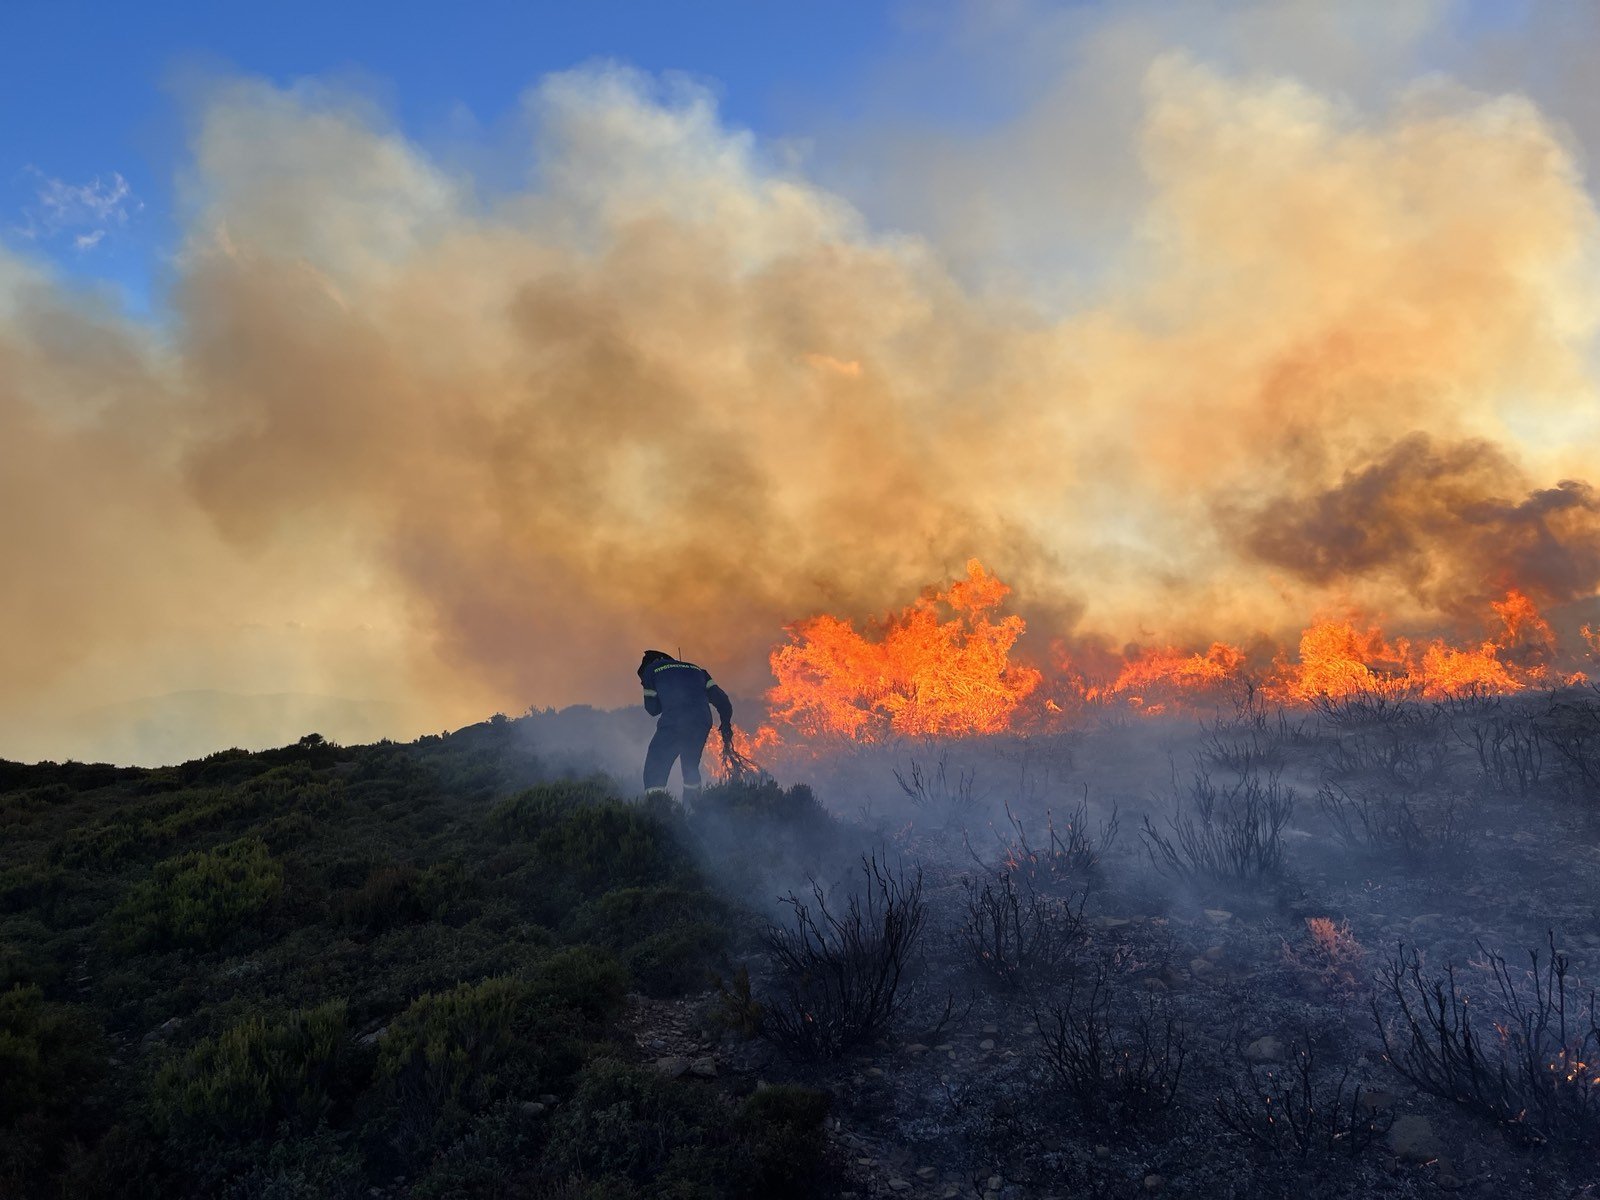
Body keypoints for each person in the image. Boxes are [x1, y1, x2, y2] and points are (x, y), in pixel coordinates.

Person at [637, 649, 733, 806]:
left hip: (674, 722)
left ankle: (655, 811)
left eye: (641, 680)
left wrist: (665, 696)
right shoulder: (697, 670)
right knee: (690, 767)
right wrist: (726, 724)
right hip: (701, 723)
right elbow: (722, 699)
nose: (642, 681)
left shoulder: (650, 669)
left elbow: (652, 709)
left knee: (655, 766)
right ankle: (692, 810)